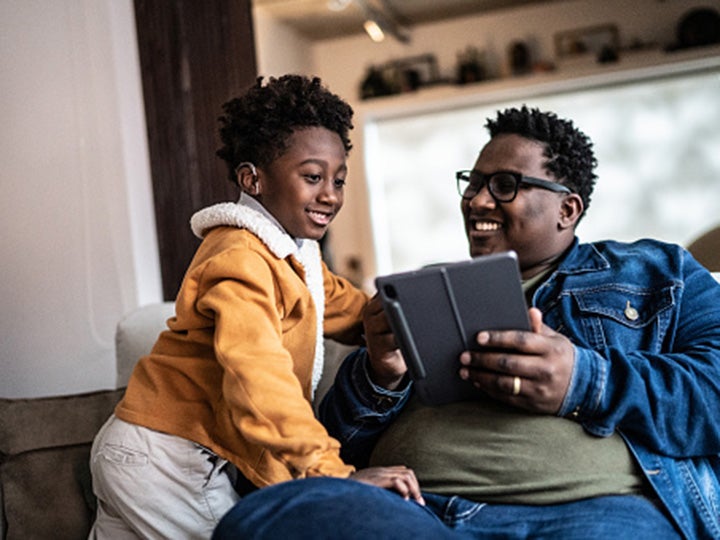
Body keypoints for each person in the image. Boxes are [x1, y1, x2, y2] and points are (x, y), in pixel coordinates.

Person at [212, 106, 720, 539]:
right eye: (473, 184)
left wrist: (583, 380)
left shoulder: (657, 274)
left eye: (504, 186)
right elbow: (338, 444)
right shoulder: (425, 289)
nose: (476, 201)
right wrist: (379, 374)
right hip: (419, 512)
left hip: (592, 514)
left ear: (568, 209)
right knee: (266, 518)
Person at [88, 74, 421, 539]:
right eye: (312, 177)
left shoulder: (296, 257)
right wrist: (334, 476)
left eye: (338, 179)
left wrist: (416, 319)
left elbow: (353, 310)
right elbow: (258, 377)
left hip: (140, 450)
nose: (330, 194)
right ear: (253, 178)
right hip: (166, 459)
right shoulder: (241, 259)